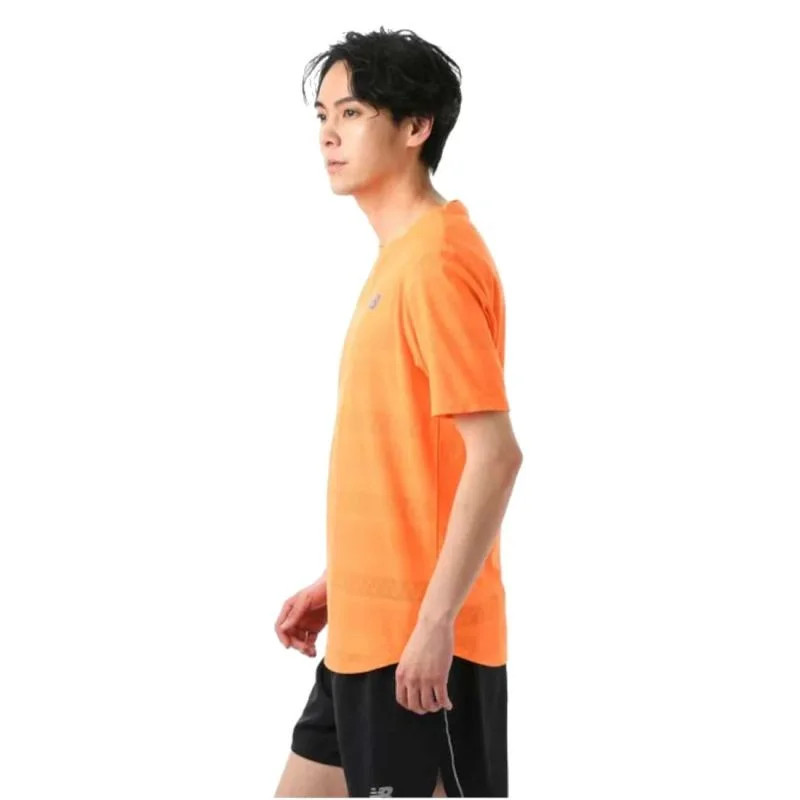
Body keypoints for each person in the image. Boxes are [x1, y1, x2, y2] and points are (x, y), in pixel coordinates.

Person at [274, 27, 523, 798]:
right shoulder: (400, 259)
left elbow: (496, 456)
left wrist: (436, 623)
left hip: (422, 649)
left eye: (351, 113)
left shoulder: (437, 263)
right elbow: (409, 457)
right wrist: (344, 578)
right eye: (322, 115)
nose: (328, 134)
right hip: (364, 633)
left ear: (416, 127)